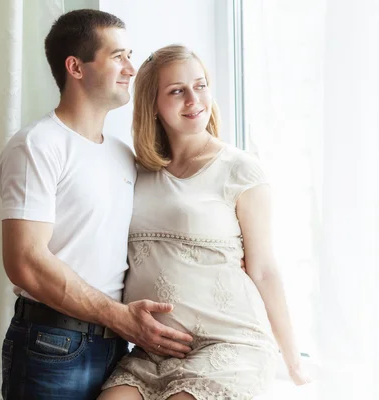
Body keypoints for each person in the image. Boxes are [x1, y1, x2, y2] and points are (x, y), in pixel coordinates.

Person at [0, 11, 193, 400]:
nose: (131, 69)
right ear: (76, 67)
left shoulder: (123, 155)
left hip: (119, 348)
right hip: (52, 344)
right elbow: (23, 260)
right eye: (118, 56)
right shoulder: (37, 145)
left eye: (130, 55)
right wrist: (119, 317)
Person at [98, 44, 310, 400]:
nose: (193, 99)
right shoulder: (134, 171)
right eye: (177, 91)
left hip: (229, 343)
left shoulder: (241, 170)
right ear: (153, 105)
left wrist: (293, 361)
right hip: (153, 353)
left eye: (200, 86)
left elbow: (264, 270)